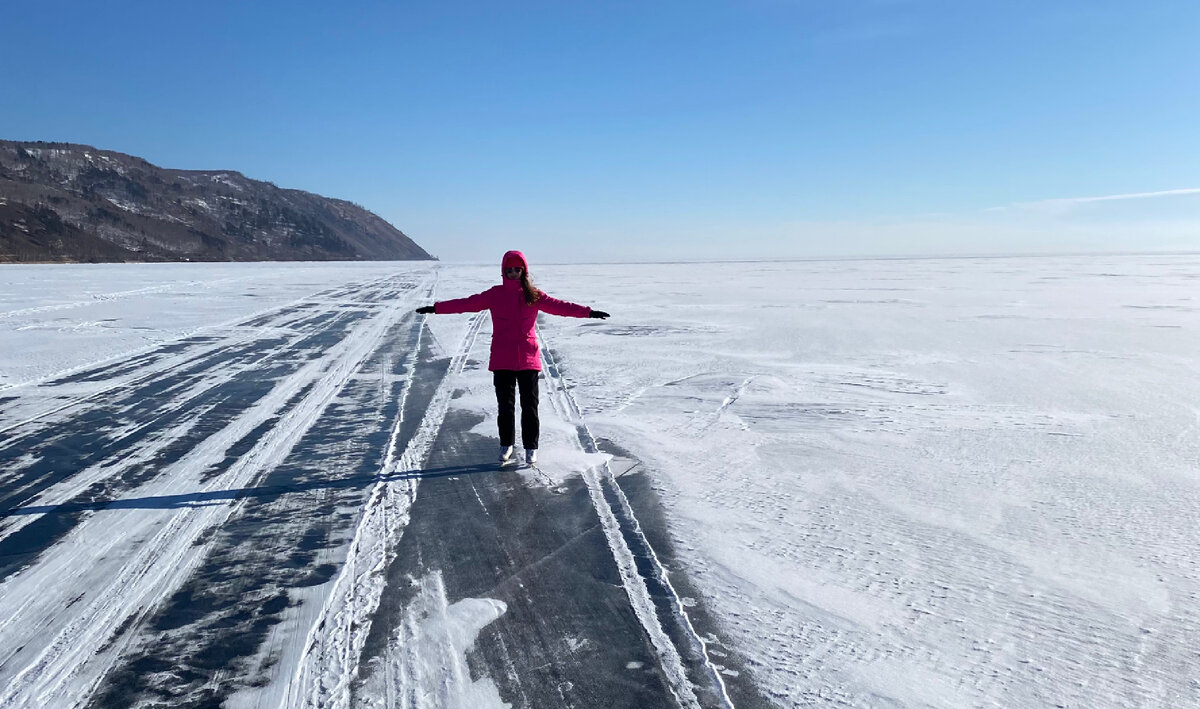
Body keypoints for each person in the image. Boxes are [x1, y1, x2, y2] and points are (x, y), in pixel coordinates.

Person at [415, 250, 609, 465]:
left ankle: (530, 447)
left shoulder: (533, 295)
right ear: (503, 272)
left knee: (530, 406)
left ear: (523, 271)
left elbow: (561, 307)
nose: (513, 273)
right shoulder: (495, 295)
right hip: (502, 358)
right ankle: (506, 444)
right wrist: (436, 308)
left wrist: (588, 312)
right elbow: (466, 303)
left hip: (528, 358)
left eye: (517, 269)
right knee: (505, 407)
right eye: (509, 270)